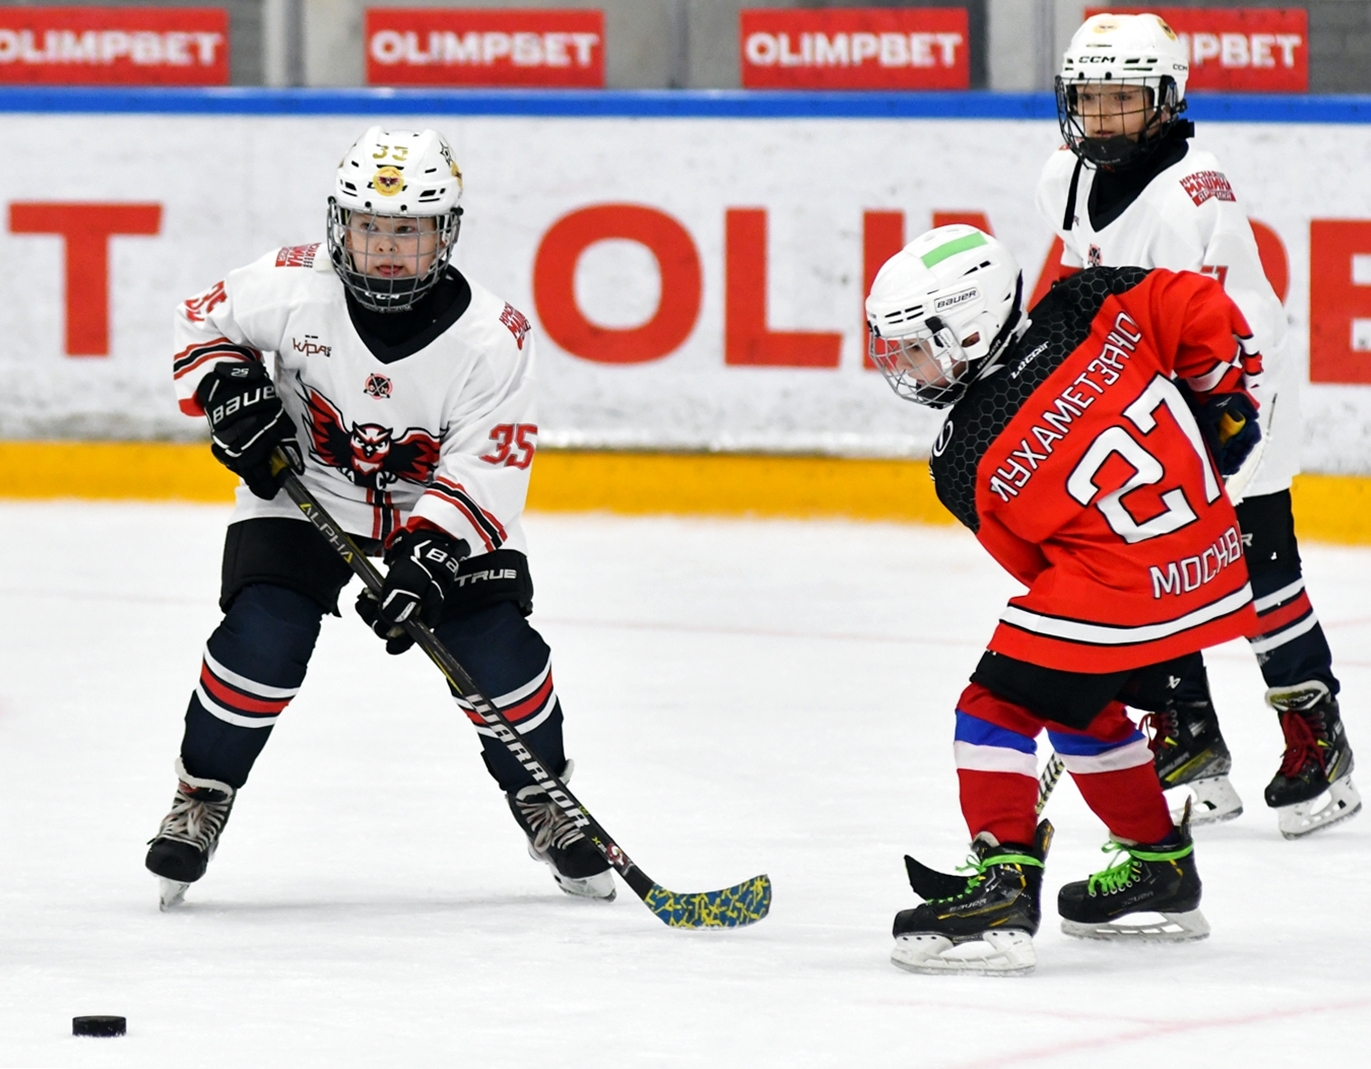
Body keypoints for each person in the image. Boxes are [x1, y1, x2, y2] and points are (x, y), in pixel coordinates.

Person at [144, 126, 614, 909]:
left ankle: (542, 796)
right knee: (263, 637)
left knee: (498, 655)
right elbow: (203, 319)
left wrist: (428, 557)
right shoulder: (290, 285)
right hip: (306, 493)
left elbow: (485, 467)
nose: (386, 248)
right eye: (369, 226)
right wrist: (228, 387)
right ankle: (202, 793)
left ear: (444, 233)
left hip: (434, 514)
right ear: (341, 225)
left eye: (408, 229)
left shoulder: (493, 339)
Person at [867, 223, 1263, 975]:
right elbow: (1199, 303)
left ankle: (1002, 883)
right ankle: (1160, 866)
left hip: (1121, 584)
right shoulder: (1089, 302)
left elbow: (1031, 564)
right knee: (1070, 696)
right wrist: (1222, 396)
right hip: (1211, 558)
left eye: (916, 345)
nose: (908, 368)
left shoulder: (962, 455)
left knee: (991, 706)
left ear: (970, 322)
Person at [1037, 12, 1359, 838]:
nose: (1102, 117)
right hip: (1150, 390)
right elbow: (1079, 282)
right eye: (1089, 98)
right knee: (1144, 562)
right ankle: (1187, 738)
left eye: (1122, 98)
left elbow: (1208, 335)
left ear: (1165, 99)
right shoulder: (1067, 176)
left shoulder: (1189, 197)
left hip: (1234, 391)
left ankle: (1313, 738)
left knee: (1256, 573)